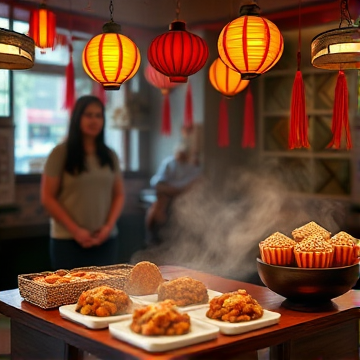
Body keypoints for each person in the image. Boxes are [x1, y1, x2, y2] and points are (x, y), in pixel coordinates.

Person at [41, 95, 125, 270]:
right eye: (88, 115)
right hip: (67, 240)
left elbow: (119, 195)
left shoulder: (110, 155)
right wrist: (76, 231)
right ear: (77, 117)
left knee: (106, 294)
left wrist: (108, 227)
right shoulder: (60, 153)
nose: (93, 120)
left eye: (98, 115)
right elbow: (48, 197)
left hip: (105, 239)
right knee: (68, 296)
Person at [145, 142, 202, 244]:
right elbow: (157, 184)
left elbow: (196, 185)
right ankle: (153, 241)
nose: (181, 157)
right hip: (167, 197)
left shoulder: (194, 167)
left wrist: (181, 191)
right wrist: (172, 191)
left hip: (186, 201)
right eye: (179, 154)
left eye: (184, 155)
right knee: (156, 215)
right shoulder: (169, 163)